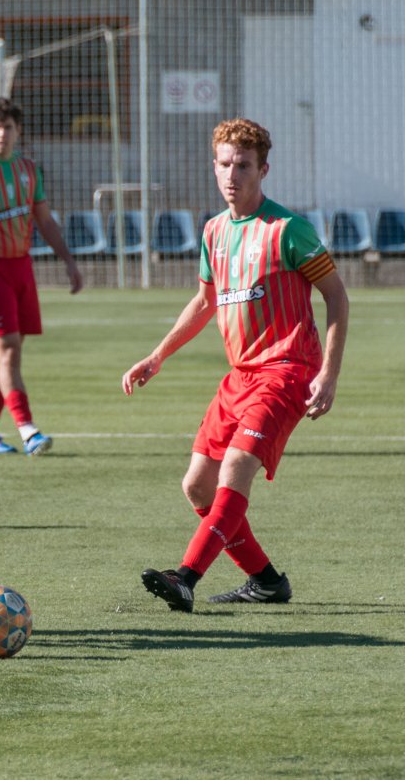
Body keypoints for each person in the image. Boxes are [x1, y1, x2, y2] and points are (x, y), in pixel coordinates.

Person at [123, 117, 349, 613]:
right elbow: (205, 302)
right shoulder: (214, 232)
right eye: (225, 164)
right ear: (215, 166)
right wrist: (158, 355)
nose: (233, 175)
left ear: (263, 169)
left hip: (287, 370)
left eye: (244, 166)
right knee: (196, 485)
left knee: (234, 469)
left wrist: (328, 374)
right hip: (240, 376)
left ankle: (185, 577)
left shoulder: (288, 230)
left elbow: (336, 296)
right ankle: (265, 580)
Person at [0, 97, 83, 456]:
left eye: (8, 127)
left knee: (7, 350)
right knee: (7, 348)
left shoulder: (27, 170)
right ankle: (27, 429)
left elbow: (44, 219)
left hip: (20, 266)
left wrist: (68, 260)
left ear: (17, 131)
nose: (1, 134)